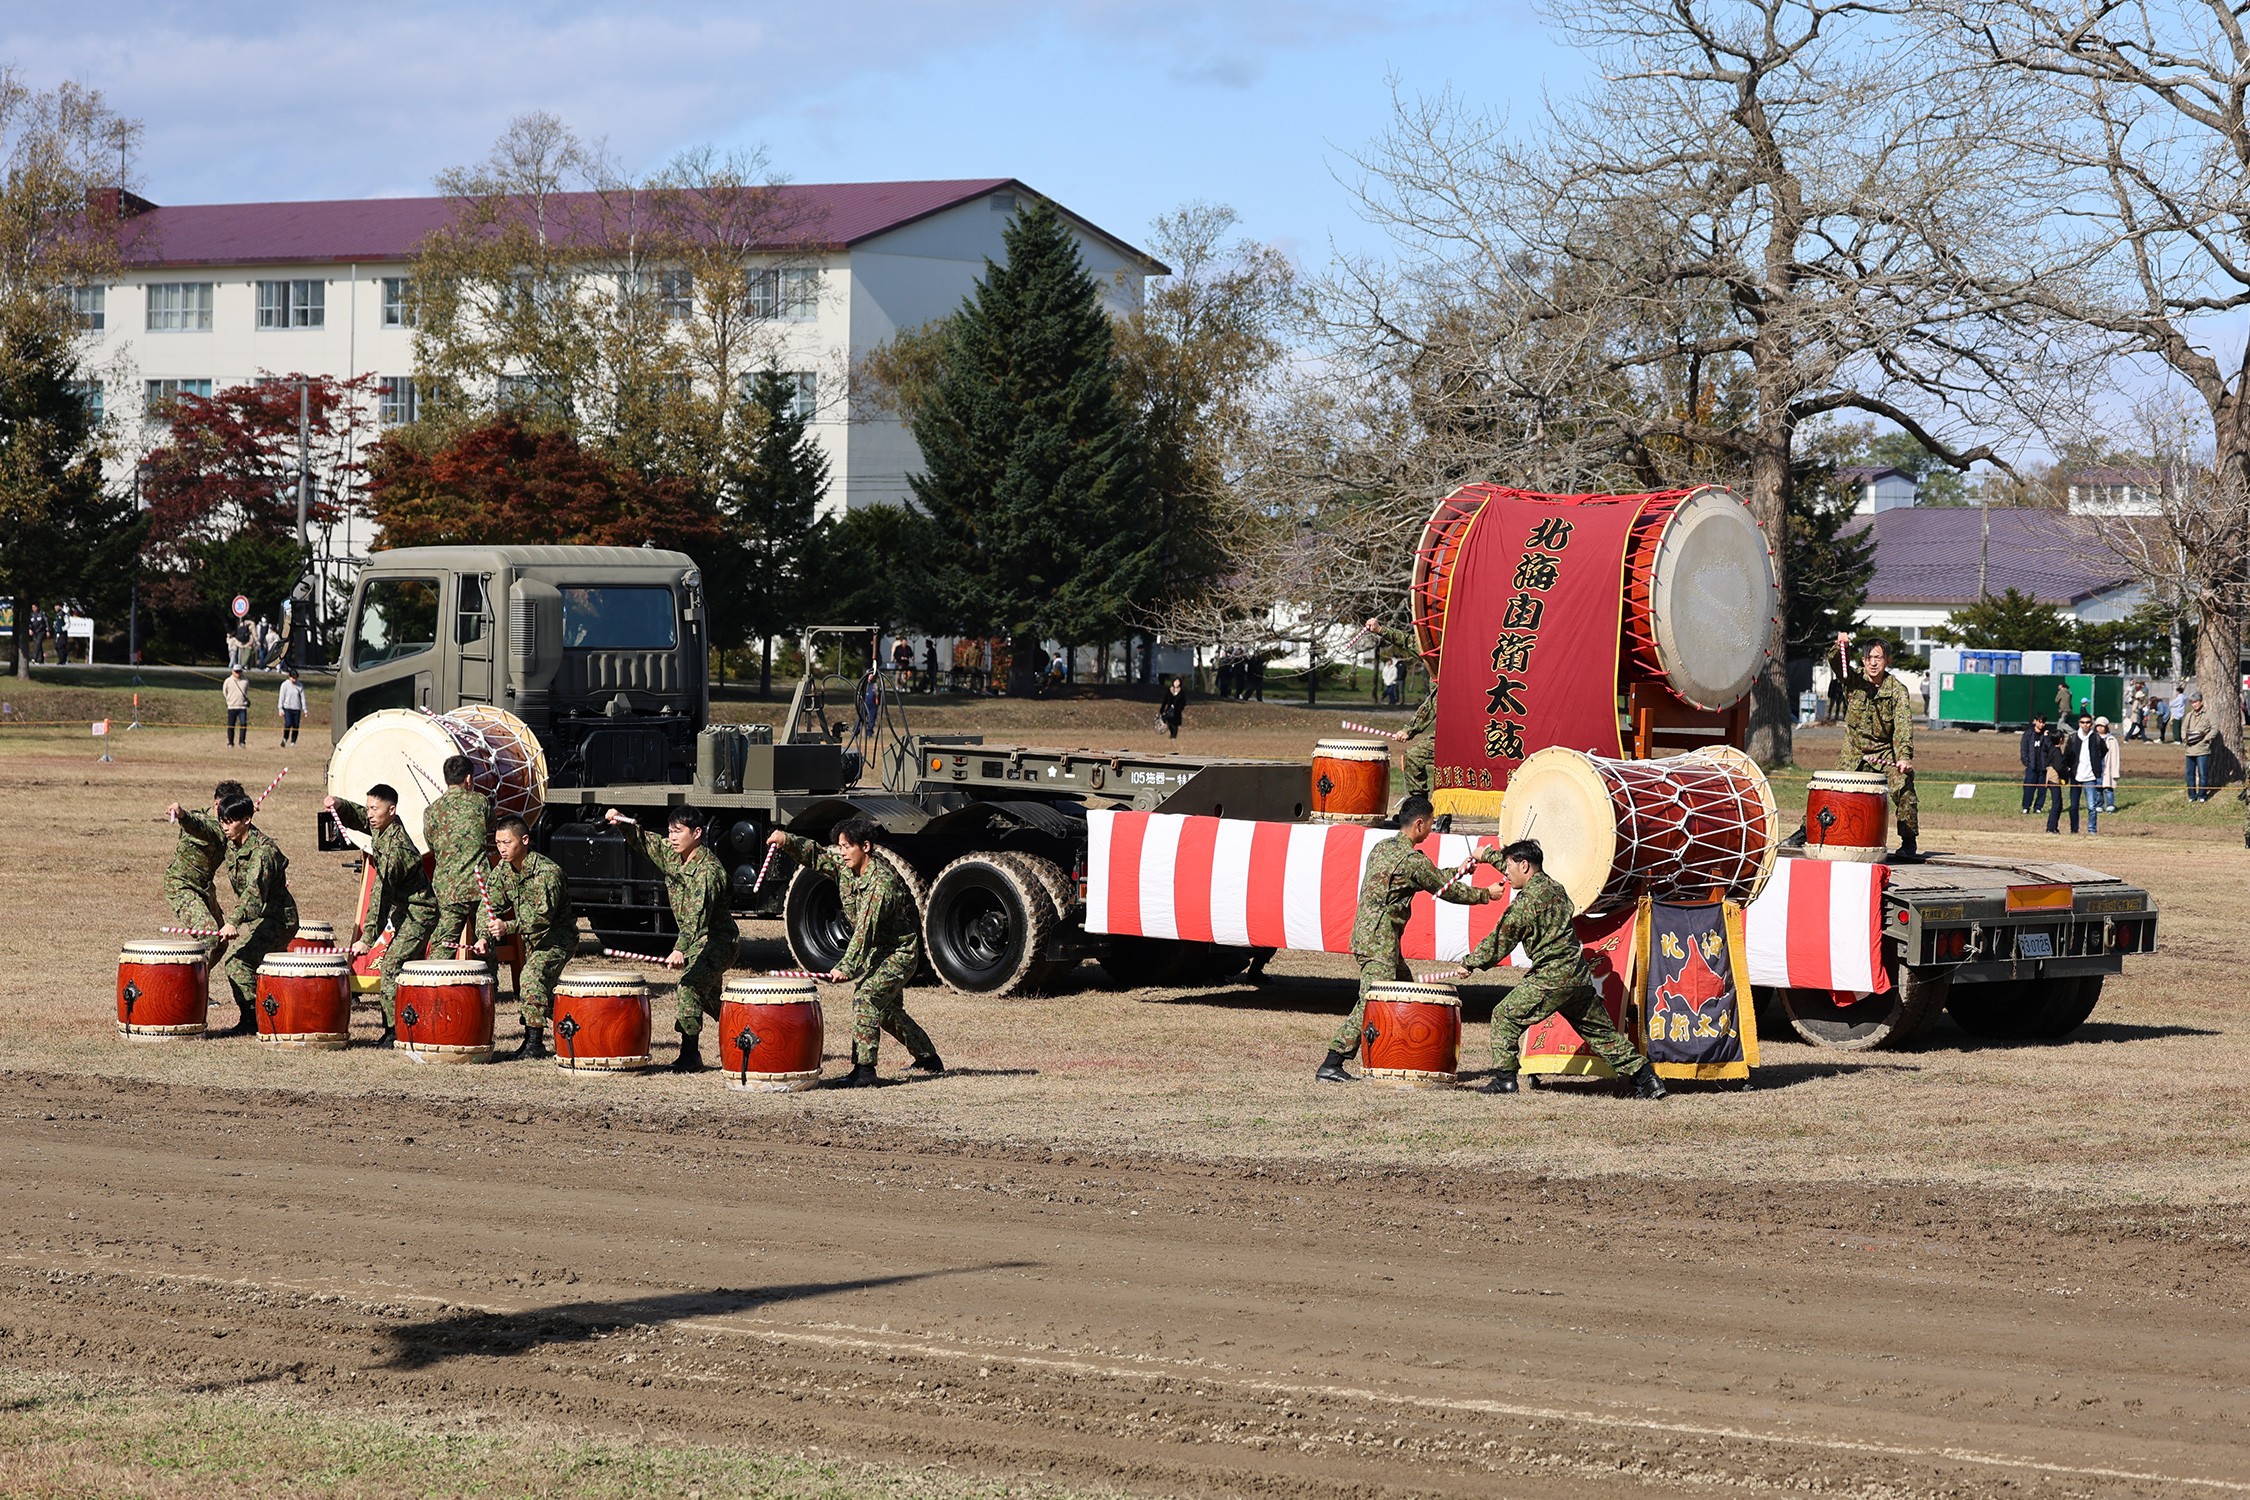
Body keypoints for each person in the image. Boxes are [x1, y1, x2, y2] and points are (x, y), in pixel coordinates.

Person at [1316, 794, 1498, 1083]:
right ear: (1419, 824)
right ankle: (1333, 1061)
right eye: (1432, 823)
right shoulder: (1412, 860)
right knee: (1373, 1000)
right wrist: (1486, 894)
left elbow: (1432, 877)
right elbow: (1443, 889)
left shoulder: (1383, 848)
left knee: (1402, 990)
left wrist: (1460, 870)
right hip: (1381, 941)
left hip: (1369, 935)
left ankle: (1400, 1053)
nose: (1433, 827)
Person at [1465, 839, 1664, 1099]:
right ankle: (1647, 1079)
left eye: (1510, 868)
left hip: (1551, 976)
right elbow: (1519, 869)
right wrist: (1485, 854)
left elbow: (1501, 939)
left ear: (1524, 865)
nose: (1506, 875)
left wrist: (1469, 963)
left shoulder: (1526, 903)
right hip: (1578, 977)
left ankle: (1504, 1079)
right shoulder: (1556, 888)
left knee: (1504, 1015)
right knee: (1601, 1033)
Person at [766, 817, 939, 1087]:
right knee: (886, 1012)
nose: (842, 852)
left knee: (866, 999)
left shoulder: (881, 884)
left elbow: (865, 930)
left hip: (899, 953)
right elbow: (817, 856)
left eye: (847, 846)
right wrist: (787, 841)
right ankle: (928, 1057)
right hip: (877, 952)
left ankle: (865, 1071)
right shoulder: (847, 870)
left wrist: (846, 966)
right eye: (840, 846)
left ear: (866, 847)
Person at [606, 805, 736, 1073]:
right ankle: (746, 1030)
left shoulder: (707, 872)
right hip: (698, 939)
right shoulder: (674, 856)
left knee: (688, 986)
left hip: (717, 941)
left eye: (679, 832)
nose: (672, 837)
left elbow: (697, 918)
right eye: (670, 831)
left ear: (697, 833)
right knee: (711, 1000)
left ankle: (690, 1054)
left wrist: (680, 949)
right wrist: (620, 821)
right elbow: (647, 841)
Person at [326, 784, 436, 1047]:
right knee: (410, 969)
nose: (370, 814)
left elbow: (381, 895)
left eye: (375, 809)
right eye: (369, 808)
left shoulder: (395, 848)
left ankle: (393, 1030)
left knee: (392, 966)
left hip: (419, 912)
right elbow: (363, 818)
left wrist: (368, 937)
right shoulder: (382, 826)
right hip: (406, 910)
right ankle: (412, 1024)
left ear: (392, 810)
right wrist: (340, 804)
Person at [485, 812, 574, 1061]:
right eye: (498, 843)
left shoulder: (547, 873)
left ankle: (534, 1042)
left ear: (525, 840)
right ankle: (578, 1021)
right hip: (533, 940)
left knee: (531, 978)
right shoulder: (504, 869)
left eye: (507, 843)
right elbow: (489, 905)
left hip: (557, 937)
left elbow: (541, 918)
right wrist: (484, 935)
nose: (502, 849)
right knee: (542, 992)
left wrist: (507, 927)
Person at [213, 792, 299, 1036]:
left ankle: (253, 1020)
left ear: (247, 819)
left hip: (279, 918)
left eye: (230, 821)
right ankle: (275, 1015)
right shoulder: (233, 841)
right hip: (262, 916)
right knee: (266, 968)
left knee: (238, 963)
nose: (225, 827)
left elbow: (253, 893)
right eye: (222, 821)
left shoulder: (262, 852)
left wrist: (233, 922)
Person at [1835, 634, 1918, 859]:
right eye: (1869, 657)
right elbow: (1837, 663)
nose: (1873, 662)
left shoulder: (1897, 691)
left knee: (1904, 785)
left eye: (1878, 658)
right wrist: (1841, 646)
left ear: (1887, 661)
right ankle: (1807, 831)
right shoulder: (1852, 680)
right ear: (1863, 661)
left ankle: (1908, 841)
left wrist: (1904, 756)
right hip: (1853, 752)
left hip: (1883, 753)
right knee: (1830, 790)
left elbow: (1902, 727)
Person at [163, 780, 247, 989]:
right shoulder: (204, 820)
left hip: (204, 888)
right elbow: (199, 826)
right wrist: (182, 815)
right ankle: (185, 989)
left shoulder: (228, 826)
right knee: (208, 935)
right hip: (182, 885)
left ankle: (197, 985)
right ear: (217, 804)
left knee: (220, 942)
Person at [424, 754, 494, 958]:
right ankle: (488, 987)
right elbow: (490, 827)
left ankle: (435, 986)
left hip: (447, 889)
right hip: (479, 885)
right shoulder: (479, 801)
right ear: (469, 779)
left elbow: (432, 845)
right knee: (484, 942)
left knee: (444, 943)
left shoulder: (431, 810)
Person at [1367, 619, 1439, 800]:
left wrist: (1410, 730)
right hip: (1448, 734)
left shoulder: (1454, 659)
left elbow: (1433, 704)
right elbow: (1408, 641)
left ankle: (1439, 815)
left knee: (1444, 767)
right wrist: (1380, 629)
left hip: (1469, 735)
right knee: (1413, 757)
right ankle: (1420, 809)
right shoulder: (1434, 652)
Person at [2046, 712, 2104, 834]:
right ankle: (2074, 829)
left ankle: (2092, 830)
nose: (2085, 725)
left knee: (2091, 806)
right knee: (2073, 806)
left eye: (2088, 722)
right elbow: (2067, 755)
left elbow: (2103, 751)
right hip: (2076, 776)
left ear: (2091, 724)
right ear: (2079, 724)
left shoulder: (2096, 738)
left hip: (2090, 776)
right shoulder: (2073, 738)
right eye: (2082, 722)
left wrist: (2096, 765)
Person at [2182, 689, 2214, 801]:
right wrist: (2184, 739)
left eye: (2196, 702)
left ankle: (2202, 795)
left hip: (2202, 750)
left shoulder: (2209, 714)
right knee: (2189, 774)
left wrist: (2206, 739)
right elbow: (2183, 728)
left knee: (2202, 774)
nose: (2194, 704)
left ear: (2201, 702)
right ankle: (2191, 795)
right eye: (2192, 702)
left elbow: (2215, 728)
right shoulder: (2189, 715)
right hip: (2190, 750)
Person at [2018, 712, 2050, 814]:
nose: (2041, 724)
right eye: (2039, 722)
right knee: (2028, 788)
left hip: (2043, 767)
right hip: (2032, 766)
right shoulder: (2028, 734)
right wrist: (2027, 762)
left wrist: (2046, 737)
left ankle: (2038, 807)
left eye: (2043, 722)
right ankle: (2026, 807)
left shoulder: (2047, 734)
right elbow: (2024, 749)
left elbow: (2050, 748)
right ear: (2035, 721)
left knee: (2042, 789)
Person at [2095, 715, 2120, 813]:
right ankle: (2099, 805)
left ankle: (2110, 805)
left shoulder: (2111, 740)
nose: (2100, 728)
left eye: (2102, 726)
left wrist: (2115, 771)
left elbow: (2115, 756)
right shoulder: (2093, 738)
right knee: (2098, 788)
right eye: (2098, 726)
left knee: (2108, 788)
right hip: (2097, 767)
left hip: (2107, 767)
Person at [222, 665, 251, 747]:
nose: (238, 673)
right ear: (232, 672)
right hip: (232, 706)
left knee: (243, 724)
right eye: (236, 671)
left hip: (242, 706)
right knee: (231, 725)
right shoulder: (228, 681)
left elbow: (246, 691)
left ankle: (242, 742)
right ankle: (230, 742)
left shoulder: (245, 681)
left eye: (239, 671)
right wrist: (229, 700)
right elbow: (225, 691)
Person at [276, 669, 306, 746]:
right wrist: (280, 708)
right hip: (287, 707)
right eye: (293, 678)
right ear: (289, 677)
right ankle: (285, 738)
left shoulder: (300, 685)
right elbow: (281, 697)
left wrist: (305, 709)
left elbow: (302, 698)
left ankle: (293, 741)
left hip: (297, 708)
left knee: (296, 725)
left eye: (296, 678)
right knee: (288, 723)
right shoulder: (284, 685)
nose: (294, 680)